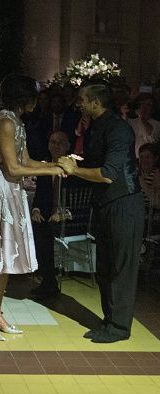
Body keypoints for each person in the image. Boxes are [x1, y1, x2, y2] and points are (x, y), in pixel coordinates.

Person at [0, 74, 65, 341]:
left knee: (5, 254)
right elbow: (13, 167)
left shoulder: (16, 121)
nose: (38, 100)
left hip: (10, 190)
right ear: (24, 97)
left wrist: (56, 165)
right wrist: (52, 169)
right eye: (34, 95)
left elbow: (27, 159)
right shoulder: (6, 122)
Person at [58, 81, 144, 343]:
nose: (78, 103)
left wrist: (74, 170)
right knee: (106, 266)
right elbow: (95, 165)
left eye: (82, 99)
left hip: (124, 203)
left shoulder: (119, 129)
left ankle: (119, 327)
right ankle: (110, 321)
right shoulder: (96, 127)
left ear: (96, 102)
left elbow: (108, 174)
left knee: (121, 268)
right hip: (107, 204)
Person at [29, 131, 77, 298]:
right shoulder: (45, 167)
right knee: (37, 226)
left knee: (47, 231)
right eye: (52, 142)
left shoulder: (74, 168)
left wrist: (63, 213)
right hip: (50, 217)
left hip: (71, 219)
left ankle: (49, 282)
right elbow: (39, 196)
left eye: (60, 142)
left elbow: (81, 200)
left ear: (68, 145)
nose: (56, 145)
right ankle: (48, 280)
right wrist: (36, 210)